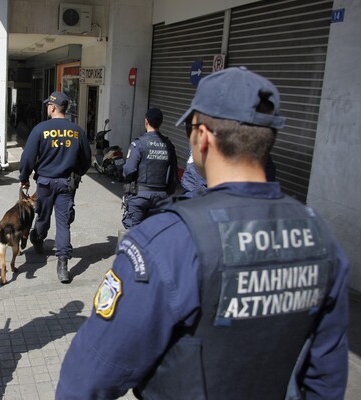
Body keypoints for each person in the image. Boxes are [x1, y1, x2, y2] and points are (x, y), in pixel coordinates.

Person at [56, 67, 349, 399]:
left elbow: (88, 378)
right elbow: (326, 380)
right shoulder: (321, 239)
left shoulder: (166, 243)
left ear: (203, 137)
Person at [19, 91, 91, 283]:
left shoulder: (40, 129)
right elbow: (86, 160)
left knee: (42, 215)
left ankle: (37, 239)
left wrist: (24, 177)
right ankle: (63, 265)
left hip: (44, 182)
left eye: (47, 106)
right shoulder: (77, 130)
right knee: (63, 222)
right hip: (67, 183)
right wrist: (77, 173)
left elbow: (27, 157)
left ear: (52, 107)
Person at [121, 108, 178, 228]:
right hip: (161, 197)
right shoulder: (169, 145)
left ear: (146, 121)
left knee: (133, 233)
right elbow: (173, 175)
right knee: (155, 233)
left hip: (139, 196)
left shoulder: (139, 144)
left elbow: (128, 170)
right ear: (161, 122)